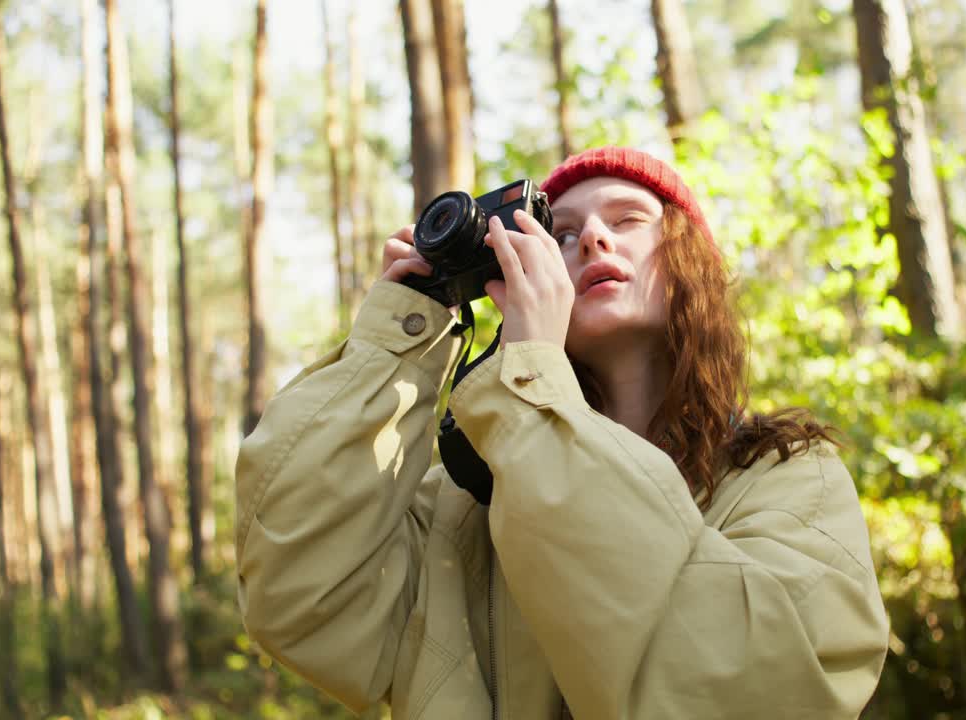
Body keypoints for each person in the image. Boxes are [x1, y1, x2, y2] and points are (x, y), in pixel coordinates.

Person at [235, 146, 889, 719]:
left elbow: (755, 695)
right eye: (561, 233)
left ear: (694, 261)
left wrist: (536, 399)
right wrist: (398, 336)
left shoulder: (789, 475)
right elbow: (300, 599)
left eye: (628, 220)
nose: (593, 240)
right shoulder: (465, 509)